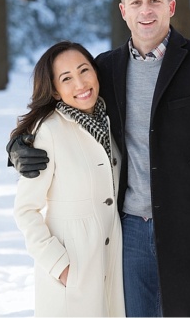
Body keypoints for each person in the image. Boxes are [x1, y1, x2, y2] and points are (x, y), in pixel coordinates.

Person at [9, 0, 190, 317]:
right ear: (124, 10)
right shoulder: (106, 69)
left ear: (170, 6)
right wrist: (18, 145)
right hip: (128, 234)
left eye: (154, 0)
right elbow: (60, 104)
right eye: (135, 1)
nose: (146, 10)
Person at [11, 41, 126, 316]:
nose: (80, 83)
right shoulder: (48, 132)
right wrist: (60, 266)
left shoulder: (111, 121)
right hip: (72, 274)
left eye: (84, 70)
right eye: (66, 78)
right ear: (55, 91)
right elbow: (25, 210)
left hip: (111, 264)